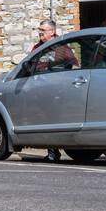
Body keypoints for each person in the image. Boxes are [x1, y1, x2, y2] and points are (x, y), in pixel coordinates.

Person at [32, 19, 65, 163]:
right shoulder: (37, 47)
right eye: (39, 29)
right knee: (45, 120)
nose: (39, 32)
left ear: (52, 32)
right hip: (41, 90)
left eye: (42, 30)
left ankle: (54, 152)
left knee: (54, 119)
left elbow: (69, 64)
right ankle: (52, 151)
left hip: (58, 90)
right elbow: (31, 64)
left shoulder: (61, 47)